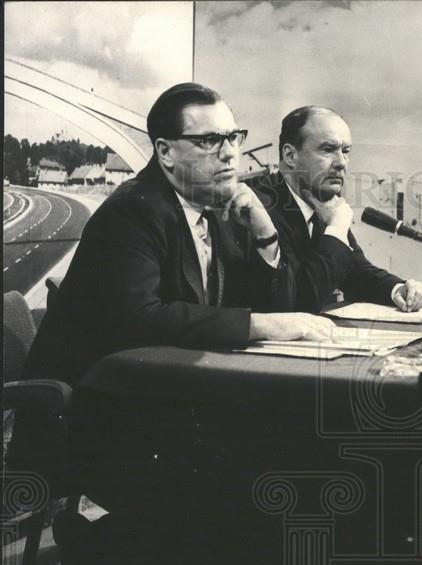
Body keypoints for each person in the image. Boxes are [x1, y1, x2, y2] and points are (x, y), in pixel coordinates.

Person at [24, 83, 337, 387]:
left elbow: (275, 309)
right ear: (165, 152)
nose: (229, 154)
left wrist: (265, 233)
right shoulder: (133, 211)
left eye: (233, 137)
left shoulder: (218, 206)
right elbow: (140, 319)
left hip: (161, 389)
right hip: (94, 403)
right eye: (209, 140)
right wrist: (257, 324)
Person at [252, 105, 422, 313]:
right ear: (290, 155)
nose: (341, 163)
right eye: (327, 150)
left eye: (345, 151)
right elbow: (299, 301)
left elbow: (355, 270)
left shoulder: (319, 200)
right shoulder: (260, 207)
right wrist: (337, 227)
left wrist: (397, 289)